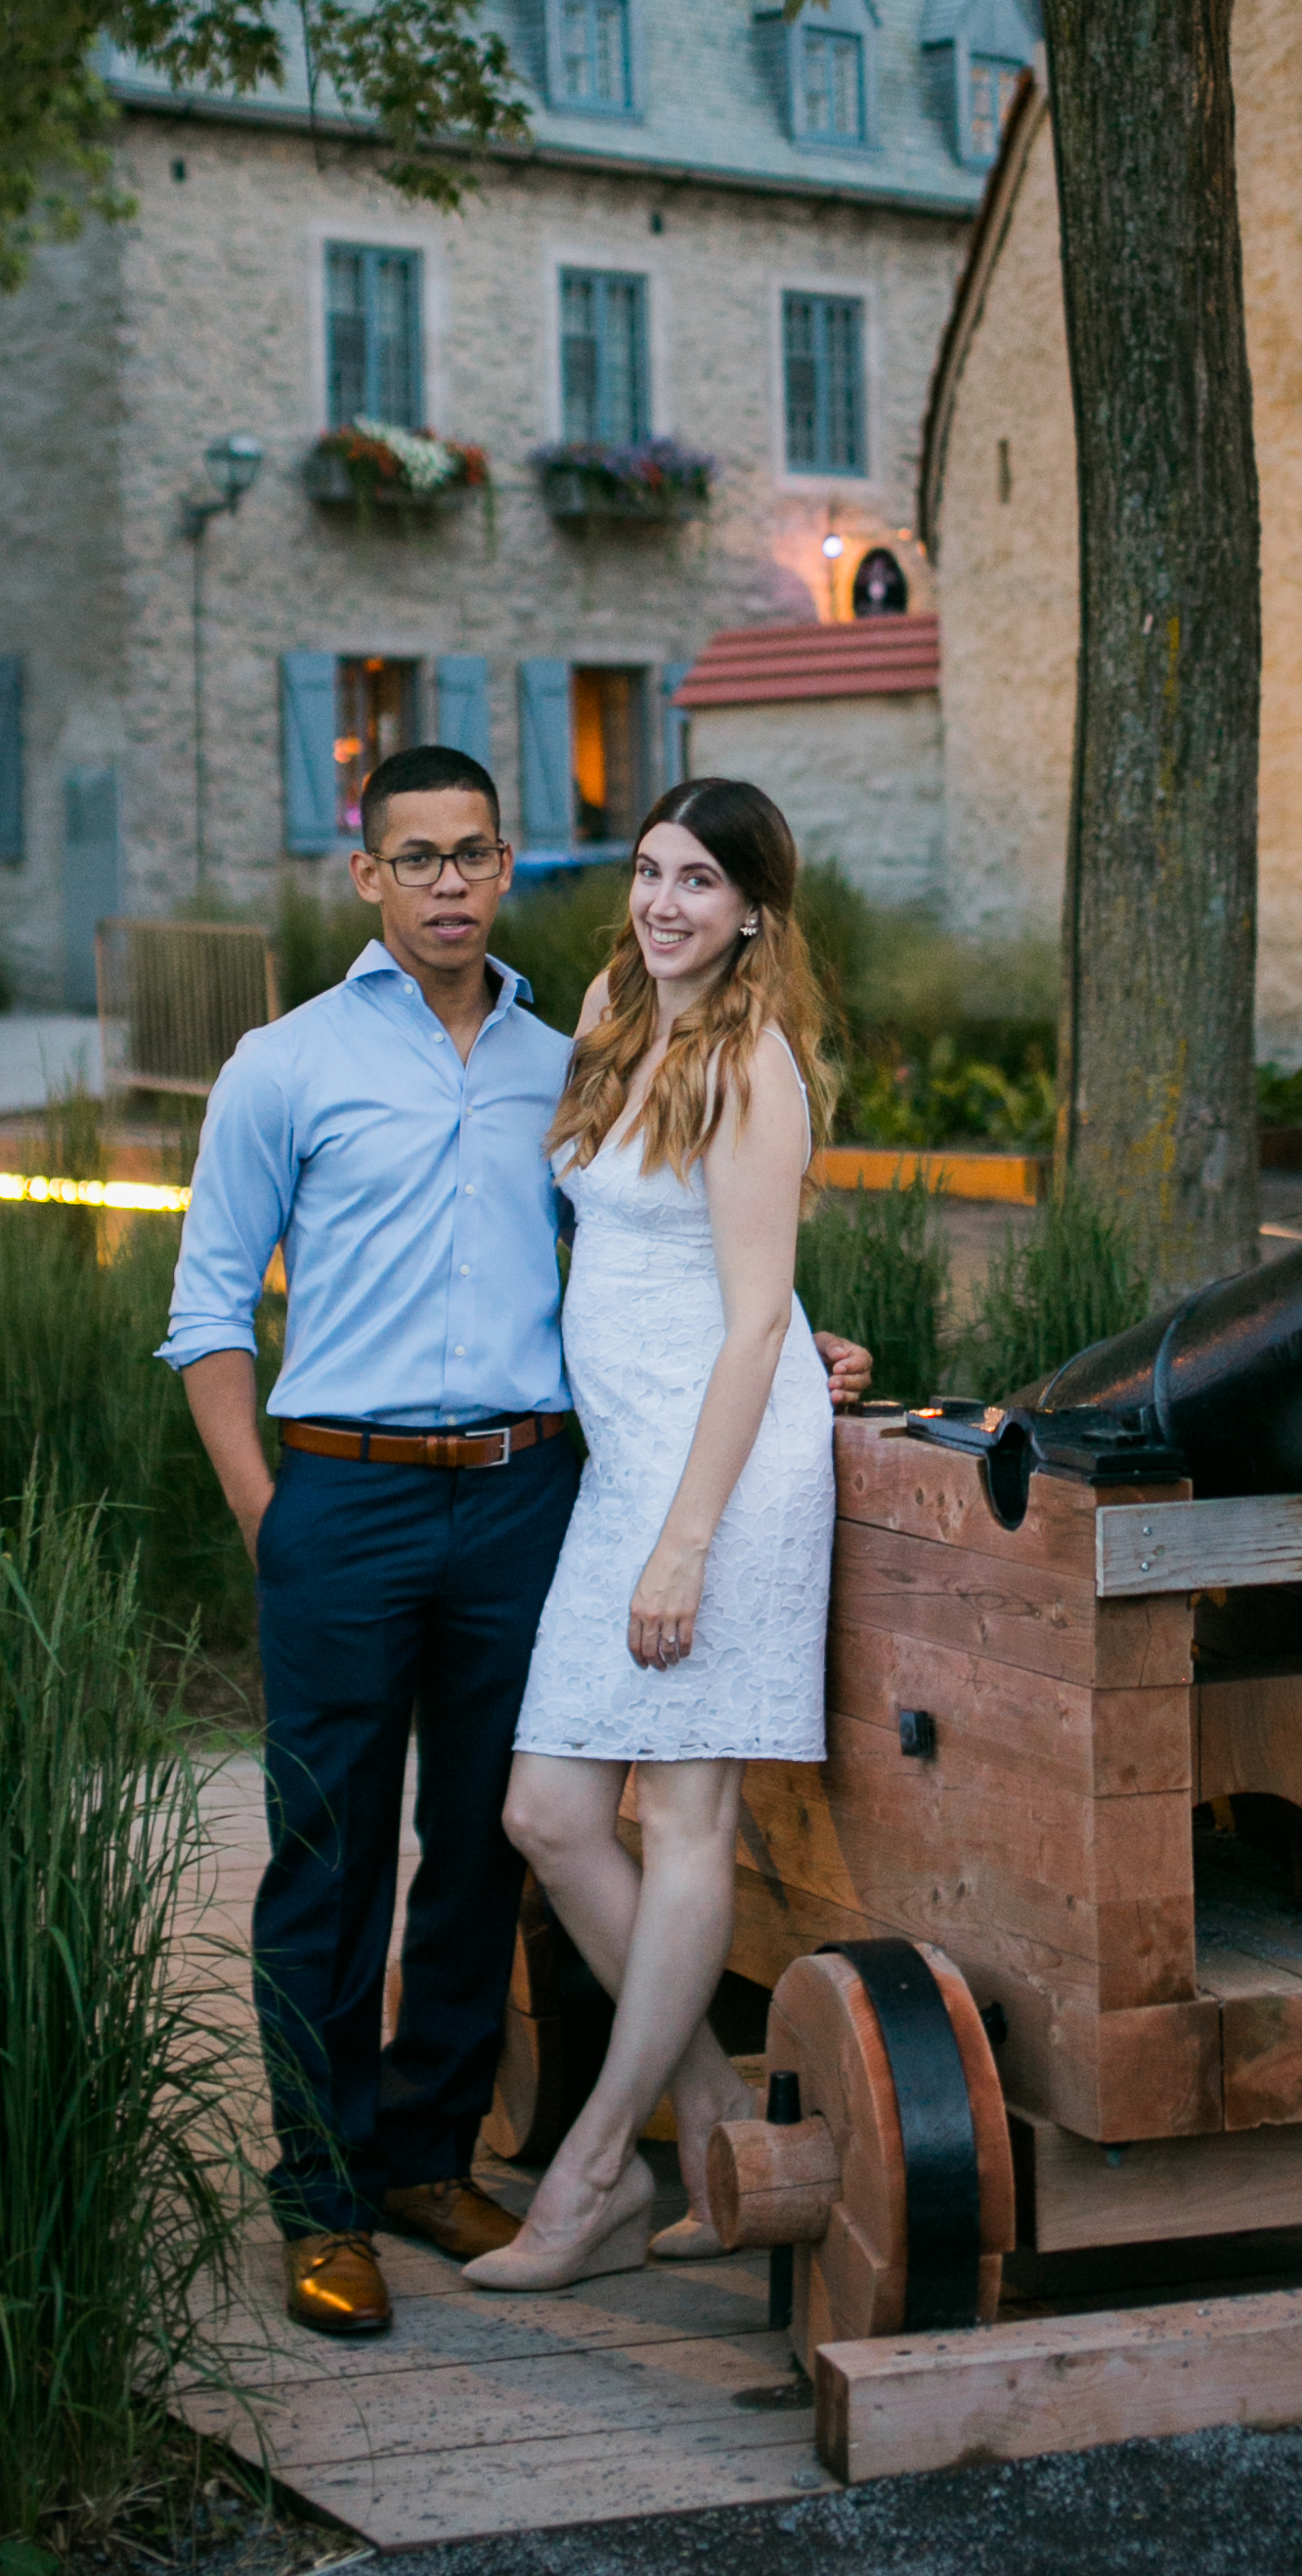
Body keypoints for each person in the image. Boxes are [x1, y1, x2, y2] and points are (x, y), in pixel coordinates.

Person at [164, 745, 870, 2340]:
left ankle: (429, 2154)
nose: (444, 883)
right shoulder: (283, 1062)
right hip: (339, 1495)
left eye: (471, 853)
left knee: (495, 1842)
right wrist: (270, 1519)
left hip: (528, 1491)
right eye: (412, 858)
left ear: (504, 865)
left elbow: (694, 1254)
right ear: (367, 876)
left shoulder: (576, 1054)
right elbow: (205, 1312)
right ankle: (322, 2194)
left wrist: (796, 1345)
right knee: (331, 1854)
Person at [462, 778, 839, 2292]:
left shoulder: (755, 1063)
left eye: (698, 882)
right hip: (628, 1470)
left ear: (754, 908)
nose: (663, 902)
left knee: (685, 1821)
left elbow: (754, 1327)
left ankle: (595, 2169)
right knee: (548, 1814)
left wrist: (684, 1542)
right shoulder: (625, 1010)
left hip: (723, 1483)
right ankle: (707, 2114)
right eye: (648, 871)